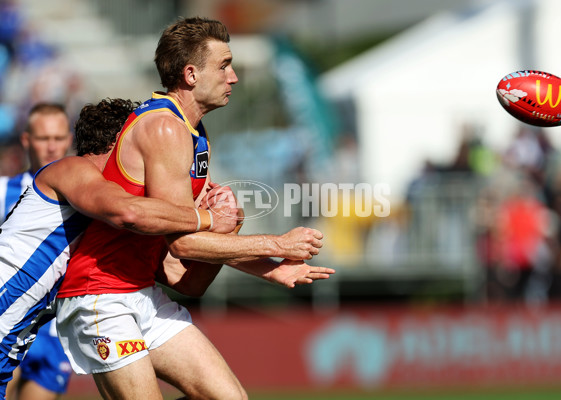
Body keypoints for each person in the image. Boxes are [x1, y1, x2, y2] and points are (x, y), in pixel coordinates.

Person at [55, 17, 333, 400]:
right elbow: (184, 246)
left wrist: (270, 270)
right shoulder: (165, 128)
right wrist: (276, 245)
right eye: (224, 65)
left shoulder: (195, 133)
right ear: (190, 74)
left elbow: (189, 264)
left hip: (141, 292)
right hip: (101, 295)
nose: (233, 77)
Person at [0, 98, 241, 400]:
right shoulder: (75, 171)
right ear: (122, 141)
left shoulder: (97, 218)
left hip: (13, 338)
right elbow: (131, 212)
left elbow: (180, 274)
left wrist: (266, 255)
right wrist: (208, 218)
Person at [1, 103, 72, 400]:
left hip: (52, 331)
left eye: (59, 138)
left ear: (70, 139)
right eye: (44, 139)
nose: (52, 147)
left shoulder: (87, 197)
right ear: (27, 140)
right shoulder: (5, 190)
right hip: (10, 321)